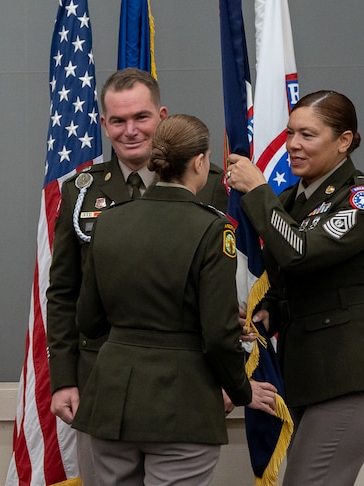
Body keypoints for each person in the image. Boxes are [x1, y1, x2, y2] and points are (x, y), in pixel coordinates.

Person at [70, 114, 277, 485]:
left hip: (112, 400)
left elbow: (88, 320)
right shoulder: (213, 229)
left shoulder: (109, 222)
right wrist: (240, 389)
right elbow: (217, 336)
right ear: (200, 161)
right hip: (183, 404)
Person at [46, 68, 227, 483]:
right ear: (104, 124)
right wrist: (63, 379)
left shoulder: (214, 185)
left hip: (186, 381)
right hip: (101, 382)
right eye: (118, 121)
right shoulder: (81, 190)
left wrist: (226, 379)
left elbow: (221, 295)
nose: (131, 131)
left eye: (141, 118)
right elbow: (63, 293)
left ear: (161, 116)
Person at [226, 90, 364, 486]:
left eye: (307, 135)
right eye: (291, 132)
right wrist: (266, 312)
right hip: (309, 373)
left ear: (343, 141)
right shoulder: (291, 201)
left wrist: (258, 191)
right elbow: (288, 279)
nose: (292, 144)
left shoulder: (363, 200)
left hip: (352, 373)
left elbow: (301, 254)